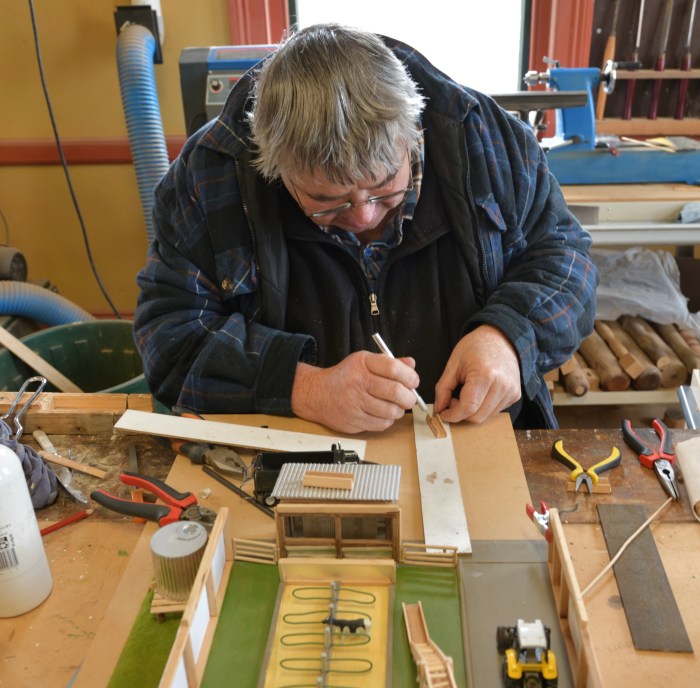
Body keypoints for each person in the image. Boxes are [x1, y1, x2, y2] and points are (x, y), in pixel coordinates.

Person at [134, 23, 598, 433]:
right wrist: (303, 387)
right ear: (274, 167)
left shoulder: (486, 137)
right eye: (327, 201)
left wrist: (509, 337)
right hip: (294, 458)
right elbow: (168, 338)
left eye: (383, 188)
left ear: (412, 134)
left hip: (483, 440)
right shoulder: (211, 174)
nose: (363, 218)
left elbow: (566, 259)